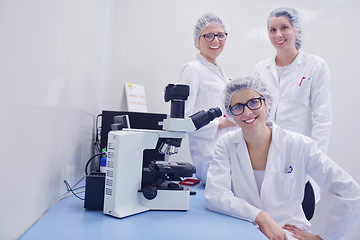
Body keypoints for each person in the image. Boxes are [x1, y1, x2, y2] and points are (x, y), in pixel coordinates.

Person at [205, 76, 360, 240]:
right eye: (237, 107)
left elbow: (349, 191)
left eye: (253, 102)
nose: (247, 112)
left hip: (289, 233)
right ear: (230, 113)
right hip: (246, 229)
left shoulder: (299, 144)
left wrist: (324, 238)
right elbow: (215, 193)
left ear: (267, 103)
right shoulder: (227, 143)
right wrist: (260, 216)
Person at [252, 7, 332, 204]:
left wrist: (313, 162)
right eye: (272, 30)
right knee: (265, 224)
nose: (278, 34)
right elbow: (254, 114)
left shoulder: (315, 66)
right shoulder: (261, 69)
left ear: (296, 29)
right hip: (265, 157)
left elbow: (322, 119)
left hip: (301, 157)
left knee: (298, 225)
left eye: (284, 28)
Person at [178, 12, 236, 184]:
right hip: (208, 156)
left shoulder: (217, 70)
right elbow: (183, 120)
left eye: (220, 35)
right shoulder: (193, 69)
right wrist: (221, 123)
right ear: (197, 40)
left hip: (224, 150)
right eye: (208, 36)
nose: (216, 41)